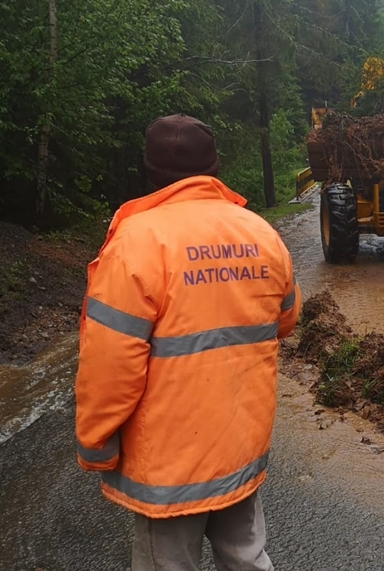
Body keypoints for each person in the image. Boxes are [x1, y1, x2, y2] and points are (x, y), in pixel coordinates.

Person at [74, 113, 301, 571]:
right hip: (240, 444)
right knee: (246, 557)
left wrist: (96, 443)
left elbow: (109, 365)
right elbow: (286, 320)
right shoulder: (261, 233)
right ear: (214, 167)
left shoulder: (135, 243)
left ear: (149, 170)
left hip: (169, 465)